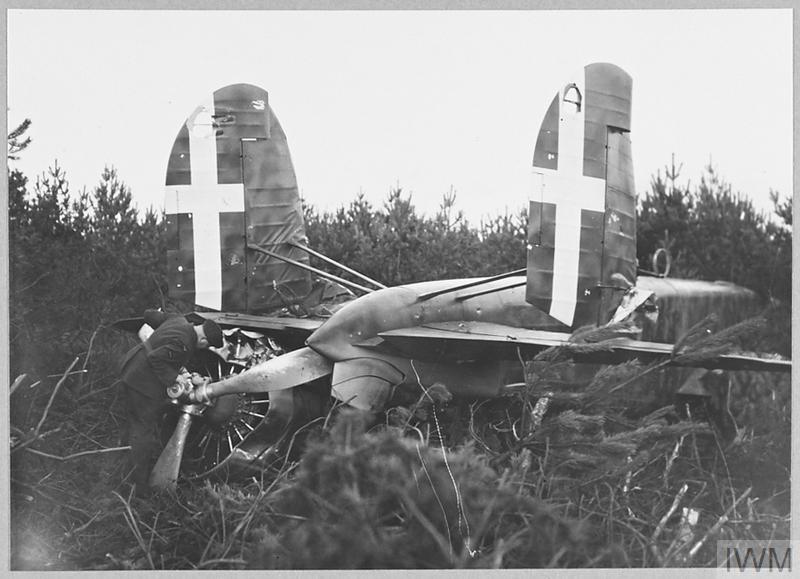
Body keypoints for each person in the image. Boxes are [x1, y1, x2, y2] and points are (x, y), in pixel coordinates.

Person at [118, 309, 224, 493]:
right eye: (205, 346)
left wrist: (183, 373)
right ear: (204, 340)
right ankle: (136, 486)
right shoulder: (184, 342)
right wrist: (177, 378)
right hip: (143, 383)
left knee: (133, 424)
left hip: (132, 371)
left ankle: (119, 469)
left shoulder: (179, 320)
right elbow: (157, 359)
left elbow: (150, 315)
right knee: (143, 432)